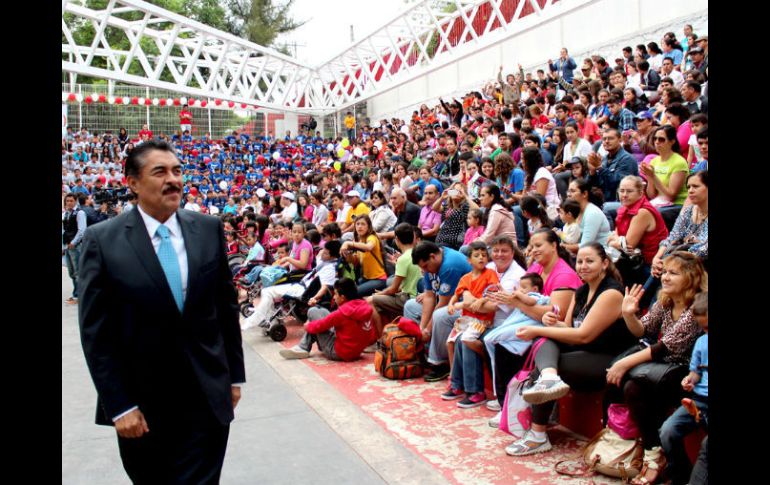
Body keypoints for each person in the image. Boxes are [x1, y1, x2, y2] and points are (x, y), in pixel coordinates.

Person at [78, 139, 245, 483]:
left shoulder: (207, 229)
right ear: (132, 182)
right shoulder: (102, 240)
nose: (173, 180)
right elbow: (97, 334)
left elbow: (225, 308)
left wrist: (234, 377)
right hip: (142, 406)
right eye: (160, 172)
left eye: (177, 171)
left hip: (206, 395)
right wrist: (119, 405)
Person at [505, 243, 636, 456]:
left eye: (590, 261)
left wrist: (537, 329)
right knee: (544, 342)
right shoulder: (582, 290)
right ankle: (549, 377)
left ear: (604, 264)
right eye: (580, 261)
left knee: (544, 353)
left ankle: (538, 435)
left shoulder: (611, 293)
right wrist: (550, 322)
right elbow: (566, 328)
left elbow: (584, 336)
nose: (583, 266)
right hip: (583, 352)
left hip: (608, 359)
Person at [606, 252, 707, 485]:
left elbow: (664, 346)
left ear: (691, 278)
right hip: (665, 369)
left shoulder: (697, 306)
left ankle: (659, 458)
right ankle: (655, 454)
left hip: (690, 374)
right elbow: (643, 330)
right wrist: (628, 314)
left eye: (674, 273)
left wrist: (622, 364)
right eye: (665, 272)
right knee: (632, 386)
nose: (666, 277)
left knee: (634, 382)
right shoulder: (667, 301)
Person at [402, 241, 472, 381]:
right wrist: (422, 329)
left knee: (440, 315)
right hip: (449, 304)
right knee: (410, 305)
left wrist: (428, 329)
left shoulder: (449, 265)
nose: (425, 270)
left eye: (426, 266)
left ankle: (440, 363)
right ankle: (423, 350)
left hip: (466, 307)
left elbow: (443, 303)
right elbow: (429, 297)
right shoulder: (432, 264)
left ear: (433, 256)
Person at [443, 241, 500, 408]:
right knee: (451, 342)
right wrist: (453, 304)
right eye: (477, 255)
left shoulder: (490, 274)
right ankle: (456, 383)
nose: (481, 258)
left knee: (466, 341)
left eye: (483, 255)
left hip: (483, 321)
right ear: (469, 260)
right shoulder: (466, 278)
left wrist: (478, 301)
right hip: (466, 319)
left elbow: (493, 294)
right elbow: (457, 294)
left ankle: (476, 391)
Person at [659, 291, 708, 485]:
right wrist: (689, 380)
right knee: (668, 431)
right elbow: (695, 371)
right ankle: (680, 475)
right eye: (704, 327)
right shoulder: (701, 342)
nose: (707, 331)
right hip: (699, 400)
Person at [242, 240, 341, 330]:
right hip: (300, 284)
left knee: (268, 292)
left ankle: (256, 320)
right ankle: (266, 319)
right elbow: (320, 253)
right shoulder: (323, 260)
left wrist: (314, 298)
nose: (323, 253)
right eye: (323, 250)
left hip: (305, 291)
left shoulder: (330, 269)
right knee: (267, 291)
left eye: (326, 253)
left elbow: (324, 287)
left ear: (333, 257)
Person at [279, 278, 375, 362]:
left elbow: (320, 325)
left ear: (343, 297)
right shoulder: (366, 306)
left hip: (339, 352)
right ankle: (303, 346)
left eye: (336, 294)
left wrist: (307, 326)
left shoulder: (343, 313)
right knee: (320, 311)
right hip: (356, 351)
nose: (333, 297)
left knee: (313, 312)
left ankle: (303, 347)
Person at [607, 176, 669, 285]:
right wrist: (618, 241)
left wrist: (614, 241)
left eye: (629, 191)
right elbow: (619, 239)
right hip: (633, 259)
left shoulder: (642, 212)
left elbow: (628, 245)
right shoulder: (624, 208)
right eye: (622, 191)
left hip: (649, 264)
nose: (624, 195)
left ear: (641, 193)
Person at [366, 223, 422, 337]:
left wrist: (380, 293)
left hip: (409, 297)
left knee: (370, 300)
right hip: (416, 295)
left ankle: (382, 338)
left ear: (397, 239)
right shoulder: (418, 252)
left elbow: (393, 289)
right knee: (382, 299)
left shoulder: (403, 258)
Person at [639, 125, 689, 227]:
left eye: (661, 139)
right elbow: (652, 195)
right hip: (659, 202)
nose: (657, 142)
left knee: (649, 214)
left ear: (672, 141)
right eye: (655, 139)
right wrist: (650, 177)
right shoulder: (654, 161)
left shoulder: (679, 162)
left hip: (677, 204)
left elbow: (671, 196)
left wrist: (653, 176)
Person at [341, 215, 388, 297]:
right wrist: (347, 253)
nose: (360, 226)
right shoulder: (359, 241)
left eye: (363, 224)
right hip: (366, 278)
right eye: (357, 224)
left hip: (379, 279)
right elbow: (355, 262)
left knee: (353, 294)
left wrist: (349, 243)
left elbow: (368, 247)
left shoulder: (372, 237)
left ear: (368, 226)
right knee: (344, 291)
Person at [562, 179, 610, 254]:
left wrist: (562, 246)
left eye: (573, 191)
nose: (568, 194)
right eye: (568, 191)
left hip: (601, 255)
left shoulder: (592, 213)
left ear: (584, 194)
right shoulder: (575, 212)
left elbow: (585, 246)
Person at [435, 182, 475, 250]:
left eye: (459, 191)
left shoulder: (464, 207)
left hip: (454, 242)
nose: (455, 193)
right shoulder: (447, 207)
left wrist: (466, 196)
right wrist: (442, 197)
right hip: (440, 240)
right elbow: (434, 208)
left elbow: (477, 210)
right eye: (453, 191)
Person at [63, 193, 87, 304]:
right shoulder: (66, 213)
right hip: (68, 245)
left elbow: (82, 230)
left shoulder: (80, 213)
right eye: (67, 201)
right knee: (71, 272)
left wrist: (73, 242)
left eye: (71, 201)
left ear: (76, 201)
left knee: (77, 271)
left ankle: (79, 295)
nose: (69, 203)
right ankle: (75, 293)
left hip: (76, 245)